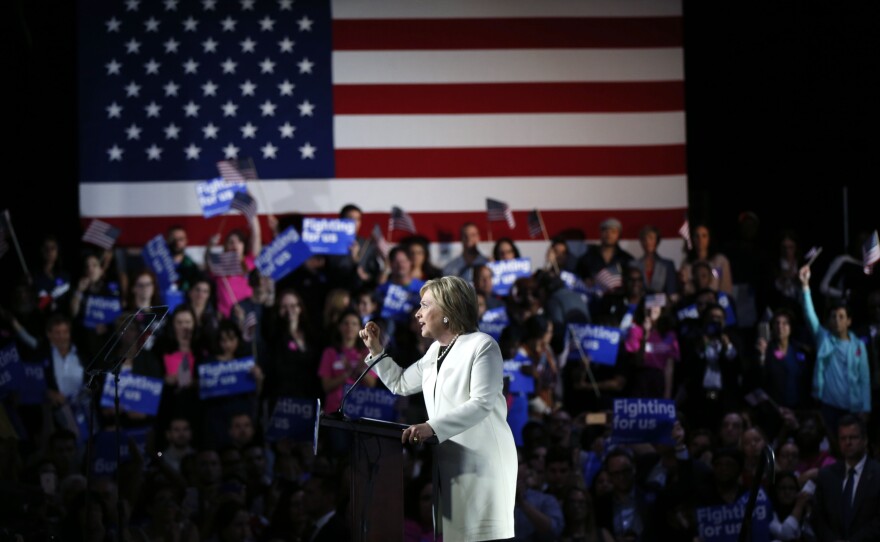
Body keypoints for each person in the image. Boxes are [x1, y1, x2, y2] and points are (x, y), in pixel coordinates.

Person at [359, 275, 517, 541]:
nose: (417, 313)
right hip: (450, 462)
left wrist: (431, 427)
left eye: (424, 305)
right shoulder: (435, 352)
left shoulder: (483, 345)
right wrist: (376, 351)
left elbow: (481, 404)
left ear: (448, 310)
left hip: (482, 464)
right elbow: (399, 382)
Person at [799, 264, 871, 442]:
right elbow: (810, 315)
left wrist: (866, 408)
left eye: (841, 317)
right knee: (832, 444)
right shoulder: (824, 339)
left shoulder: (858, 347)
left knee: (852, 446)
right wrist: (805, 286)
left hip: (853, 408)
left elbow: (864, 378)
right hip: (829, 406)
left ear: (849, 321)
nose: (836, 320)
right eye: (833, 316)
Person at [811, 414, 880, 541]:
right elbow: (817, 518)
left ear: (865, 440)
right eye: (843, 438)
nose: (848, 442)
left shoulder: (877, 474)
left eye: (853, 437)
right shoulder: (826, 475)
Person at [630, 225, 678, 301]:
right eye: (644, 239)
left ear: (657, 241)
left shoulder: (667, 265)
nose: (648, 242)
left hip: (662, 308)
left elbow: (672, 293)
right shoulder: (633, 265)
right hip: (639, 309)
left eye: (651, 238)